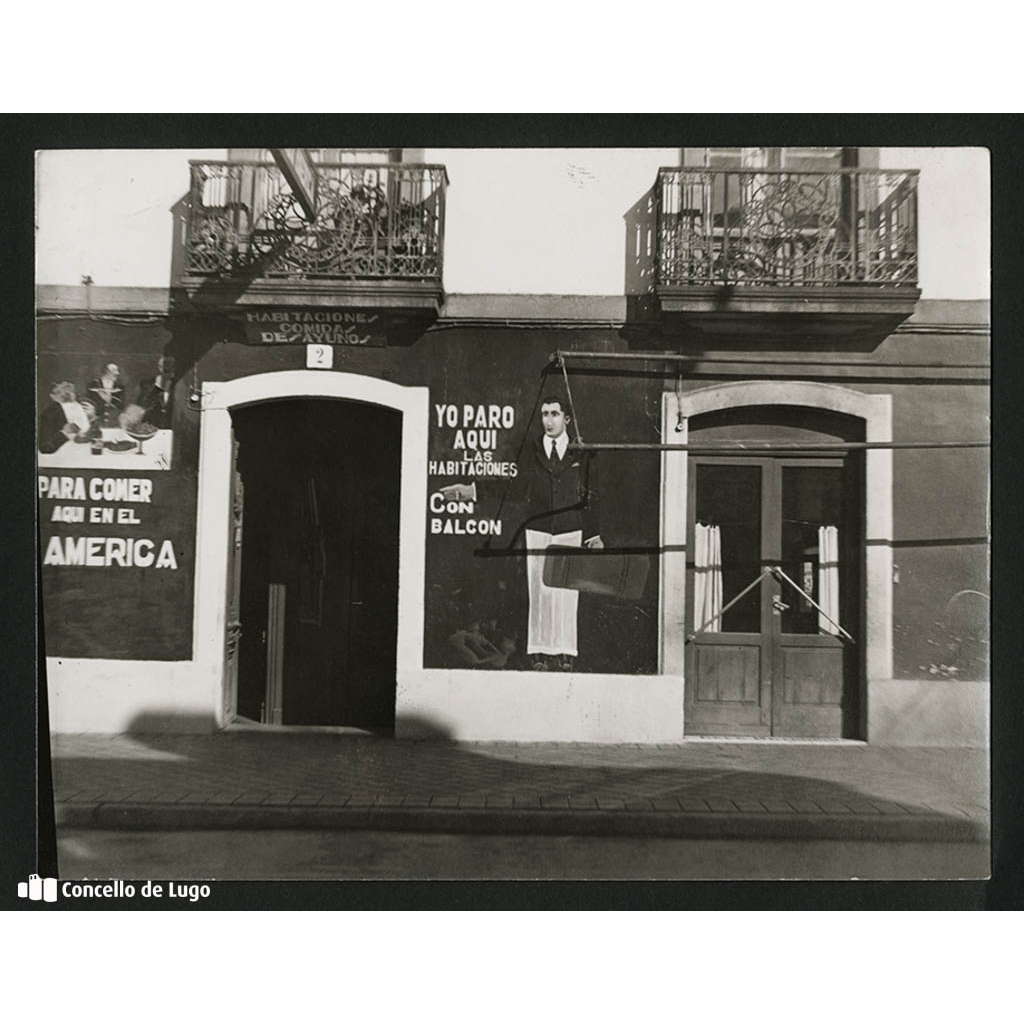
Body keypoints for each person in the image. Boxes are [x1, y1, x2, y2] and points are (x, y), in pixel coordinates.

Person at [517, 396, 602, 671]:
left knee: (566, 591)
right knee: (539, 590)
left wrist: (595, 533)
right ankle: (539, 652)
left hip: (570, 530)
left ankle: (565, 652)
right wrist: (475, 490)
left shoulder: (581, 452)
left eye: (554, 414)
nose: (548, 420)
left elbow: (592, 495)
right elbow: (516, 487)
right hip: (538, 529)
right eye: (544, 414)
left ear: (566, 418)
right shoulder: (531, 450)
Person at [38, 381, 90, 454]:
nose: (67, 394)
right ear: (52, 396)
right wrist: (64, 432)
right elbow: (45, 447)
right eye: (60, 391)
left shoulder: (81, 407)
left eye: (70, 390)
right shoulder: (50, 413)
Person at [138, 356, 176, 428]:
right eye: (164, 368)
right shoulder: (148, 385)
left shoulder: (178, 386)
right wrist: (156, 387)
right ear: (159, 368)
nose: (168, 372)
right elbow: (143, 405)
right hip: (153, 429)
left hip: (173, 429)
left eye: (170, 368)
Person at [86, 362, 125, 427]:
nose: (117, 373)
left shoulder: (120, 387)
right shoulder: (93, 384)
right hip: (97, 423)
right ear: (107, 371)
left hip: (114, 423)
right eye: (114, 371)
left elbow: (122, 405)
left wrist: (110, 399)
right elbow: (88, 403)